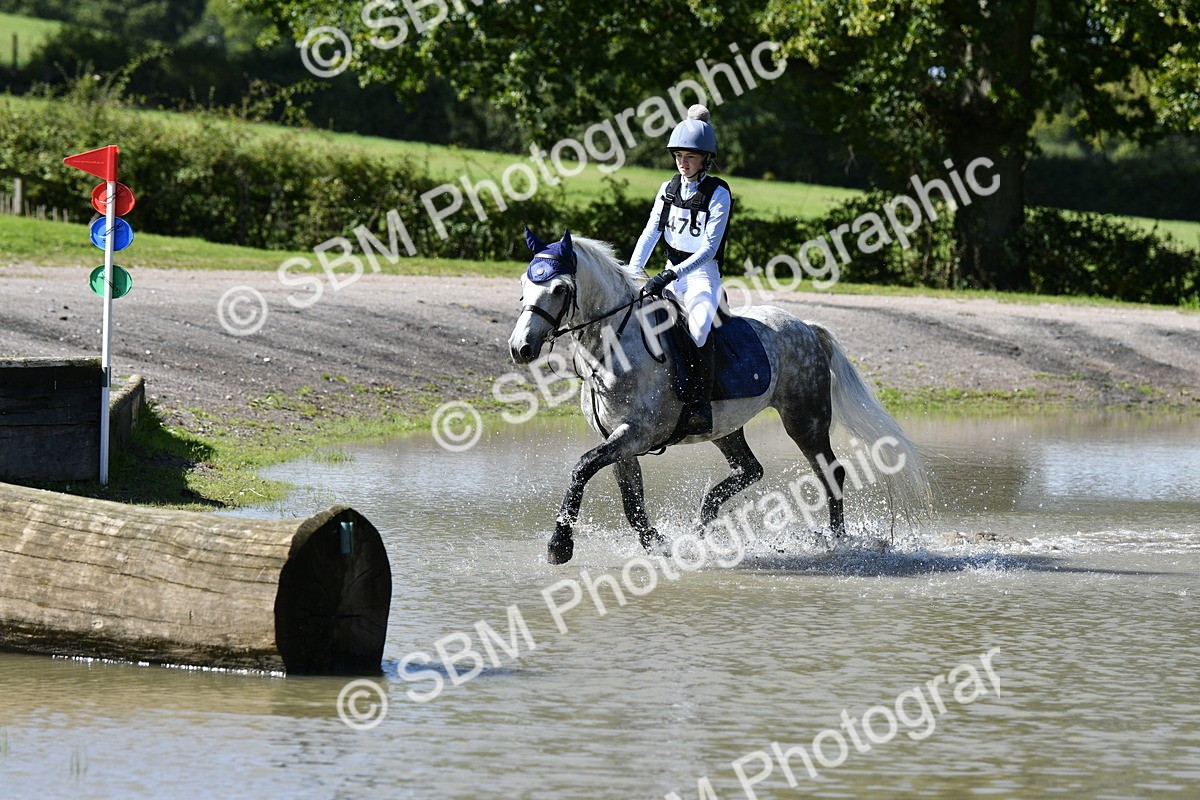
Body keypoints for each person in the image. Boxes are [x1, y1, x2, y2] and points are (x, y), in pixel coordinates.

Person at [629, 103, 732, 436]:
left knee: (699, 328)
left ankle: (700, 404)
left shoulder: (718, 193)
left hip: (701, 277)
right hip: (669, 273)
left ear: (705, 159)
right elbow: (650, 233)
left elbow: (708, 250)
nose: (682, 164)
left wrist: (670, 275)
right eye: (678, 157)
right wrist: (633, 271)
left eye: (689, 157)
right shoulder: (668, 188)